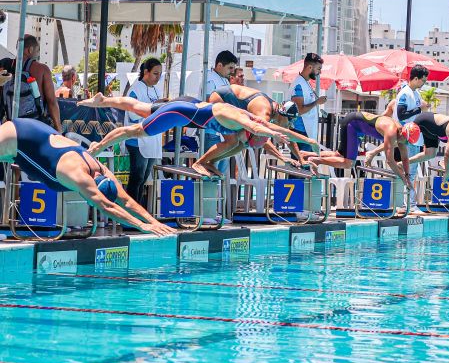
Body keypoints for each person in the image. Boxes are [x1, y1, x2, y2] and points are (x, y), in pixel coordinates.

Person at [0, 118, 174, 236]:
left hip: (35, 132)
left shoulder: (102, 170)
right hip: (16, 136)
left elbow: (126, 201)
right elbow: (107, 206)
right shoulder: (79, 176)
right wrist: (142, 226)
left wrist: (153, 221)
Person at [77, 94, 316, 177]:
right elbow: (257, 130)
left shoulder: (254, 119)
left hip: (190, 107)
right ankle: (98, 145)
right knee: (136, 130)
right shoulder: (241, 119)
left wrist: (307, 141)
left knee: (141, 107)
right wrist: (277, 136)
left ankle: (103, 100)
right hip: (180, 113)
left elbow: (273, 129)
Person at [303, 111, 420, 190]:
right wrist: (403, 179)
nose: (406, 144)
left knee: (338, 155)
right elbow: (390, 161)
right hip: (352, 125)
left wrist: (408, 176)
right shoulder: (391, 131)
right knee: (348, 163)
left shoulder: (402, 135)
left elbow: (405, 158)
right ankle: (316, 160)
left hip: (357, 127)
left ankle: (306, 155)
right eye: (407, 141)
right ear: (403, 134)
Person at [208, 84, 311, 167]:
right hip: (220, 100)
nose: (289, 124)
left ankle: (211, 161)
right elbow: (260, 137)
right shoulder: (264, 112)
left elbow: (289, 138)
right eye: (290, 121)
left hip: (233, 105)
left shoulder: (277, 112)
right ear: (282, 115)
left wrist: (301, 159)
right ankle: (202, 163)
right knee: (233, 142)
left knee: (243, 144)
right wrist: (281, 157)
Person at [123, 58, 163, 206]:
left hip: (152, 139)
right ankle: (131, 212)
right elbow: (133, 114)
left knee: (144, 178)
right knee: (137, 177)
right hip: (137, 140)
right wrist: (154, 107)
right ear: (146, 72)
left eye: (160, 74)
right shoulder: (136, 89)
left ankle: (139, 210)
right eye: (155, 73)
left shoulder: (156, 90)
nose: (157, 77)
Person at [3, 35, 61, 132]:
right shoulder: (42, 69)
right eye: (37, 50)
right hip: (35, 126)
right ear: (30, 50)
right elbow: (52, 102)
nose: (38, 54)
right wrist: (58, 129)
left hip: (12, 126)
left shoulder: (5, 66)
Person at [393, 65, 429, 212]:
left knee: (411, 171)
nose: (424, 83)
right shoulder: (405, 93)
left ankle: (408, 204)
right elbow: (401, 115)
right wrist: (420, 109)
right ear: (415, 78)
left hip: (414, 138)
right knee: (408, 171)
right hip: (406, 138)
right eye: (423, 81)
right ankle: (407, 204)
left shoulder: (415, 93)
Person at [290, 52, 327, 152]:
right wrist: (316, 102)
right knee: (302, 166)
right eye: (318, 69)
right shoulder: (299, 84)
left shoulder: (305, 83)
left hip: (307, 133)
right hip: (300, 133)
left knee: (307, 165)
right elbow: (299, 110)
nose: (319, 72)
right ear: (310, 67)